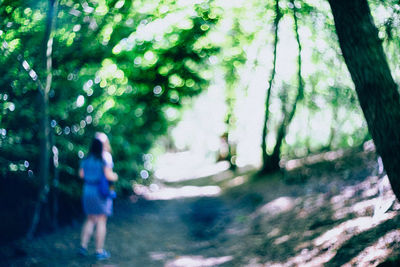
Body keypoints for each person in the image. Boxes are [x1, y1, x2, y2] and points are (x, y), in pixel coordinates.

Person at [78, 135, 118, 260]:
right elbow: (109, 176)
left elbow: (81, 175)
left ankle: (83, 247)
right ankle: (99, 251)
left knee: (90, 219)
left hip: (87, 190)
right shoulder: (105, 158)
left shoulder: (86, 158)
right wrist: (115, 176)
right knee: (101, 220)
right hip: (100, 192)